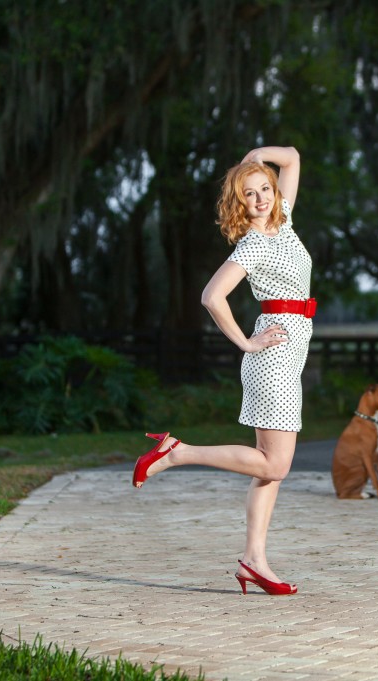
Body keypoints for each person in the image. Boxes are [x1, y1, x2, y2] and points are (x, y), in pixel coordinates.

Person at [131, 145, 313, 596]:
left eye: (264, 189)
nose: (260, 199)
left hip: (292, 353)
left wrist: (254, 156)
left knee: (268, 470)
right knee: (278, 464)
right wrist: (246, 343)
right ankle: (177, 453)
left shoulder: (284, 222)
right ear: (238, 203)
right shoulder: (252, 243)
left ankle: (254, 560)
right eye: (249, 194)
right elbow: (212, 296)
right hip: (272, 357)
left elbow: (289, 157)